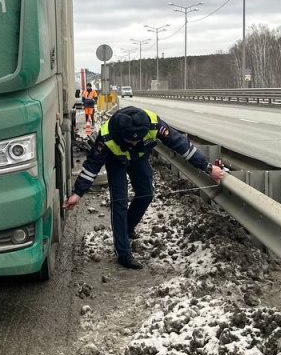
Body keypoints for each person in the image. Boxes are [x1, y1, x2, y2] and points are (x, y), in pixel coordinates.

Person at [62, 106, 225, 269]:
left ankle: (128, 227)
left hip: (139, 158)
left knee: (146, 194)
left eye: (137, 139)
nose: (133, 142)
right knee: (120, 202)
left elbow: (181, 145)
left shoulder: (154, 124)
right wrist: (78, 192)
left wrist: (208, 168)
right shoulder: (106, 136)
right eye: (130, 140)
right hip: (116, 160)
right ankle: (123, 253)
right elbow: (92, 165)